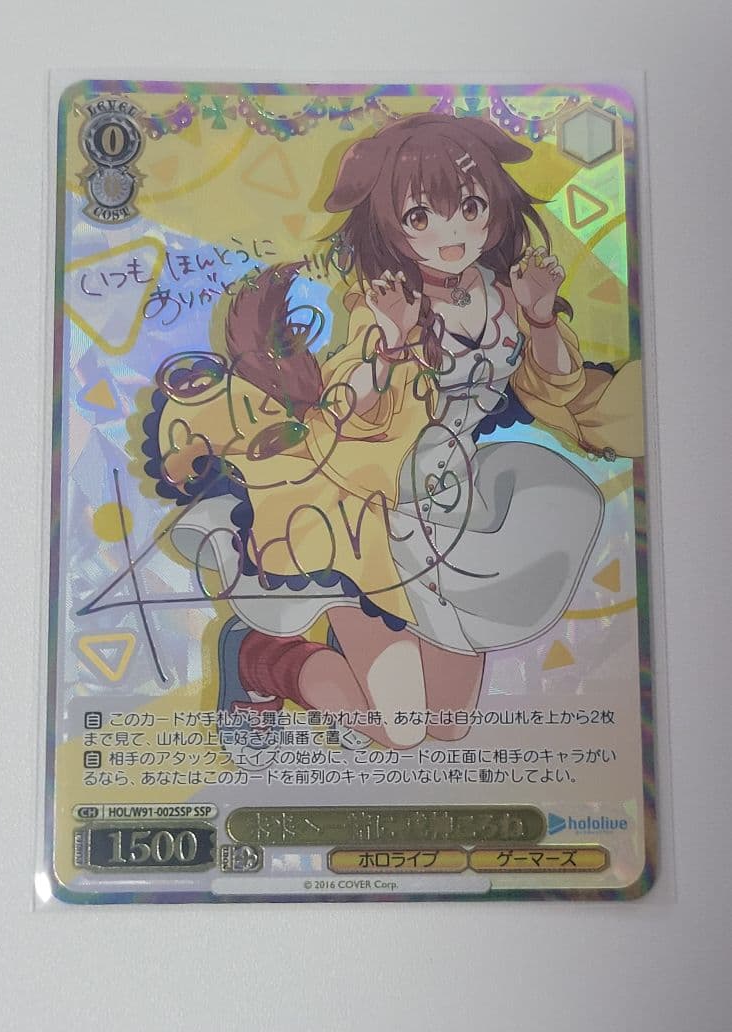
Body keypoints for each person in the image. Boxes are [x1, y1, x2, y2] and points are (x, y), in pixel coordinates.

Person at [144, 111, 642, 750]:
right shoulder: (382, 300)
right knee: (396, 730)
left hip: (456, 498)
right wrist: (394, 341)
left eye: (470, 207)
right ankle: (260, 659)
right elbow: (351, 409)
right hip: (367, 505)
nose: (451, 234)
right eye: (421, 217)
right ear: (389, 223)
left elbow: (558, 388)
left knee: (448, 727)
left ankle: (332, 649)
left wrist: (541, 319)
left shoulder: (506, 294)